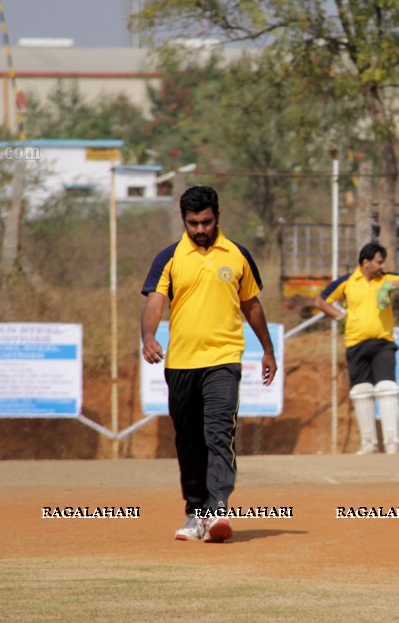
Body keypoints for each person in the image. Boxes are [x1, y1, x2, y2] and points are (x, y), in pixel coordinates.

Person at [140, 185, 277, 542]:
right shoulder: (168, 258)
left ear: (217, 217)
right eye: (192, 223)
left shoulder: (237, 255)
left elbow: (252, 305)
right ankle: (194, 513)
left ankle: (218, 511)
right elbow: (155, 302)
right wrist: (149, 337)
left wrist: (268, 350)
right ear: (183, 221)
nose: (200, 229)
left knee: (218, 433)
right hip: (181, 364)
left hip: (224, 360)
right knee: (188, 441)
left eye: (206, 222)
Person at [314, 243, 399, 454]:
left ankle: (392, 443)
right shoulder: (347, 282)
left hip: (383, 342)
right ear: (366, 262)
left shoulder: (386, 278)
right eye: (379, 261)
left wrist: (392, 287)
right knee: (361, 391)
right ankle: (369, 443)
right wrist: (340, 316)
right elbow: (320, 301)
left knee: (387, 388)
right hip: (356, 343)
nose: (382, 265)